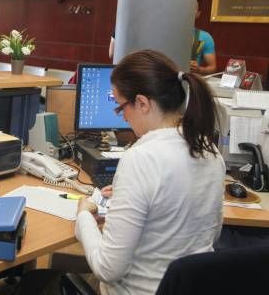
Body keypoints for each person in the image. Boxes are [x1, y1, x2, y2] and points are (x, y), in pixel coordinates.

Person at [75, 49, 225, 295]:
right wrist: (133, 200)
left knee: (41, 281)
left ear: (142, 103)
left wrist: (83, 216)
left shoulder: (140, 159)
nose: (123, 117)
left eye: (120, 108)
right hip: (190, 288)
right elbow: (209, 235)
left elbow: (107, 269)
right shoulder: (210, 152)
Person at [190, 0, 216, 74]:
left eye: (192, 8)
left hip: (190, 80)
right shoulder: (167, 34)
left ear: (198, 14)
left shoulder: (205, 37)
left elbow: (212, 68)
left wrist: (199, 70)